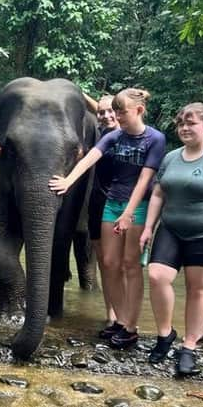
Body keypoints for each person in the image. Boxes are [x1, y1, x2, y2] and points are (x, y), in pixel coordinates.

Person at [49, 88, 166, 349]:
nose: (117, 116)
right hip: (112, 203)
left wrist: (128, 213)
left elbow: (145, 179)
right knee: (110, 263)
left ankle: (131, 327)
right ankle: (119, 321)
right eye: (115, 111)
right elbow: (90, 158)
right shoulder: (114, 137)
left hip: (138, 206)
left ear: (139, 110)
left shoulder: (155, 139)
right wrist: (68, 181)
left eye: (121, 111)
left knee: (130, 265)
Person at [140, 103, 203, 375]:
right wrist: (148, 227)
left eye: (191, 123)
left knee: (198, 288)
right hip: (171, 228)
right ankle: (164, 335)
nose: (184, 128)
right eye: (181, 124)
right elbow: (159, 194)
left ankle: (189, 347)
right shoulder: (172, 157)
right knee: (157, 276)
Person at [89, 95, 121, 329]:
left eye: (112, 111)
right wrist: (76, 91)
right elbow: (100, 109)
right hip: (98, 203)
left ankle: (126, 316)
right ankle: (111, 313)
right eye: (102, 113)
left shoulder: (131, 135)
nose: (107, 116)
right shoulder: (101, 134)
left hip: (124, 206)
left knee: (124, 263)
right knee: (104, 262)